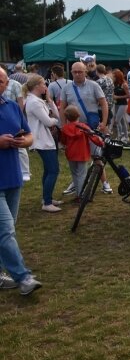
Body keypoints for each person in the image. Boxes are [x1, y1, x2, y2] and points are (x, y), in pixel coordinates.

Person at [0, 67, 42, 296]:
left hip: (12, 178)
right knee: (6, 231)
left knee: (6, 230)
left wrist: (23, 141)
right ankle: (23, 277)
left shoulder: (12, 107)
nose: (2, 85)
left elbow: (28, 134)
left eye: (4, 81)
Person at [59, 61, 111, 194]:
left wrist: (104, 123)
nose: (77, 74)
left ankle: (104, 183)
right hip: (74, 131)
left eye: (80, 72)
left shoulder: (94, 85)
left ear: (85, 72)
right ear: (71, 72)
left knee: (96, 156)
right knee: (75, 159)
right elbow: (62, 107)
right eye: (75, 72)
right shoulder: (66, 88)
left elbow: (104, 104)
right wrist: (64, 126)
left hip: (91, 128)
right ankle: (76, 183)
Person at [23, 75, 61, 212]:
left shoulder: (37, 100)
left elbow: (55, 114)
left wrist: (50, 101)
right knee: (53, 170)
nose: (46, 86)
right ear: (37, 86)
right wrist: (57, 122)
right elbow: (49, 121)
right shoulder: (35, 102)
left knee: (48, 170)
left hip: (43, 139)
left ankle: (47, 198)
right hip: (42, 141)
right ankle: (47, 202)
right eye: (43, 84)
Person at [112, 69, 130, 142]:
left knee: (117, 120)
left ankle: (120, 136)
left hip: (123, 104)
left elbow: (128, 95)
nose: (113, 77)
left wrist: (117, 97)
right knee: (122, 121)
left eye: (114, 76)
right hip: (116, 104)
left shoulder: (124, 84)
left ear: (117, 76)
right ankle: (125, 137)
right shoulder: (114, 84)